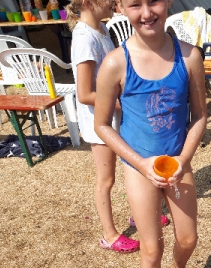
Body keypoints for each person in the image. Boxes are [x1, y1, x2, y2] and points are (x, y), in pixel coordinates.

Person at [94, 0, 208, 268]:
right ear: (120, 8)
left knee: (188, 238)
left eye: (153, 1)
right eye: (135, 4)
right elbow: (101, 125)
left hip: (178, 165)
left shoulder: (190, 57)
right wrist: (140, 163)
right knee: (151, 247)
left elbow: (200, 116)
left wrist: (183, 159)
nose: (146, 12)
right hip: (139, 168)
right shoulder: (115, 63)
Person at [67, 0, 142, 253]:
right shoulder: (85, 39)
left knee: (131, 166)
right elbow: (84, 93)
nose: (113, 1)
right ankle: (109, 235)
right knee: (106, 179)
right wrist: (122, 103)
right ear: (89, 2)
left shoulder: (102, 29)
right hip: (99, 123)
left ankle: (138, 214)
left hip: (114, 117)